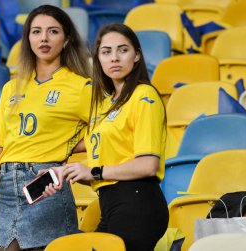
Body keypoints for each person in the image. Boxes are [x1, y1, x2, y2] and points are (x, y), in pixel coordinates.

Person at [0, 5, 92, 251]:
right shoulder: (11, 89)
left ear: (66, 40)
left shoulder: (82, 87)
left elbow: (108, 132)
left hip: (45, 183)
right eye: (36, 32)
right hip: (6, 187)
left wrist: (65, 146)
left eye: (53, 31)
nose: (43, 38)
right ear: (28, 39)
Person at [44, 23, 169, 251]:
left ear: (137, 56)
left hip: (138, 203)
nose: (114, 58)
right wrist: (65, 172)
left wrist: (93, 171)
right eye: (106, 52)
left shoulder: (144, 95)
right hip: (111, 204)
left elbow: (148, 165)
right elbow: (104, 160)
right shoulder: (105, 106)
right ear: (98, 59)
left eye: (123, 50)